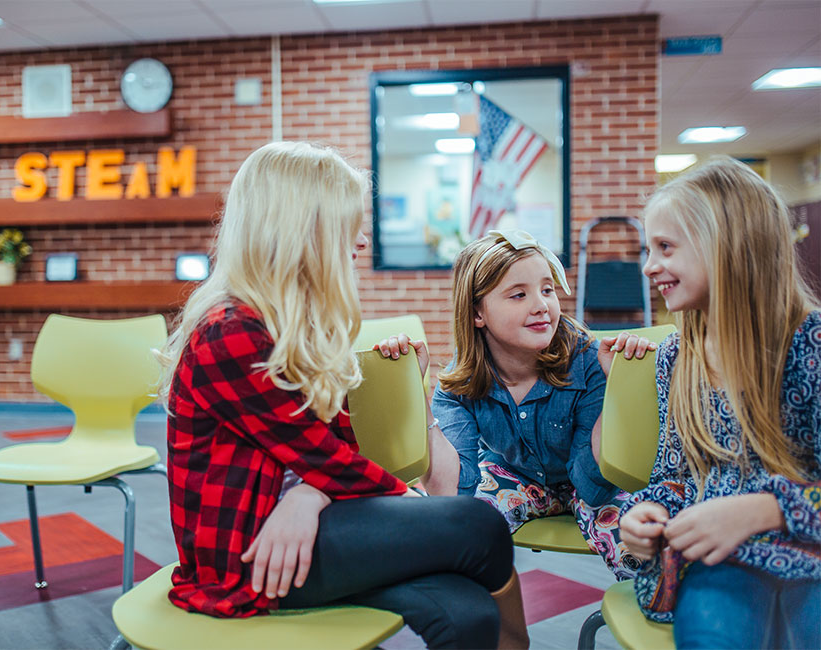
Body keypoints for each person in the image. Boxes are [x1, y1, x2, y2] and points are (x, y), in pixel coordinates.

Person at [155, 141, 524, 649]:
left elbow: (330, 457)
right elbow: (330, 462)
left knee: (467, 612)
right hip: (255, 551)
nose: (363, 240)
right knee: (480, 526)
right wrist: (408, 504)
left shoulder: (300, 326)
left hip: (313, 521)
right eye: (348, 225)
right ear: (301, 229)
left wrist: (310, 495)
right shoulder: (231, 330)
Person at [618, 157, 820, 649]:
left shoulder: (810, 345)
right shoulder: (677, 357)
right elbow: (676, 475)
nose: (649, 266)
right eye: (649, 249)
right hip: (720, 563)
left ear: (728, 246)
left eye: (666, 247)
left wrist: (765, 510)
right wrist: (647, 511)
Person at [379, 229, 654, 582]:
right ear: (477, 313)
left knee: (643, 550)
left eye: (547, 290)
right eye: (519, 294)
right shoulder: (460, 383)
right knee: (455, 533)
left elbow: (593, 486)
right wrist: (414, 391)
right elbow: (451, 493)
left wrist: (617, 391)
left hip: (591, 479)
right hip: (515, 476)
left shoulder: (588, 363)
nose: (541, 305)